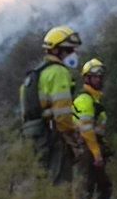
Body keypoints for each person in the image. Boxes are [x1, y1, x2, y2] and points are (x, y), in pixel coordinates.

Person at [20, 26, 83, 185]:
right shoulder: (58, 72)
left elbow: (25, 112)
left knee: (42, 185)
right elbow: (62, 113)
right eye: (68, 50)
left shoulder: (34, 74)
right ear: (56, 51)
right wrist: (72, 136)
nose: (72, 54)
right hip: (53, 135)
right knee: (60, 185)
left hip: (33, 137)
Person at [74, 58, 114, 199]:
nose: (99, 79)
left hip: (93, 148)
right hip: (87, 149)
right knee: (87, 187)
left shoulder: (95, 100)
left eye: (100, 76)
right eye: (95, 76)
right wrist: (97, 153)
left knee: (103, 186)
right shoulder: (85, 99)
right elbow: (86, 130)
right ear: (86, 78)